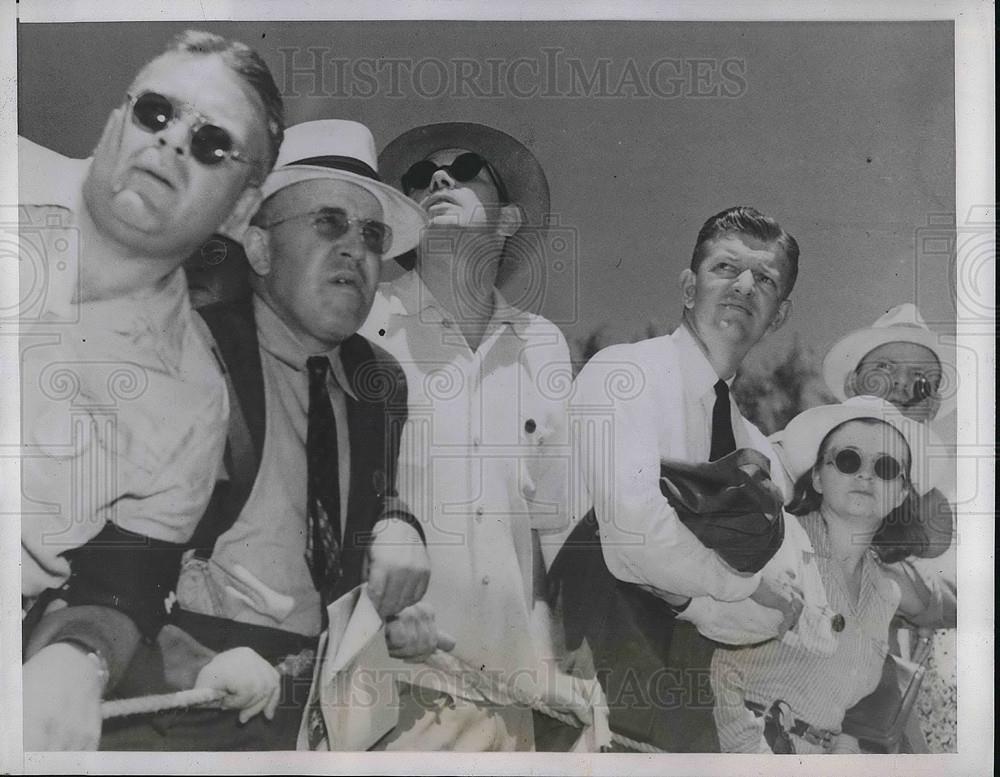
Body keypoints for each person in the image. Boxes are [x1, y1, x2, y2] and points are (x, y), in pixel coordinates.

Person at [65, 118, 437, 751]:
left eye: (372, 234)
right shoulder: (181, 356)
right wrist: (190, 660)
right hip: (175, 711)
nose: (356, 248)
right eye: (329, 222)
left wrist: (400, 535)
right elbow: (90, 573)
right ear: (260, 250)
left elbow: (366, 505)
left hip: (320, 714)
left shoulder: (381, 383)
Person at [20, 29, 285, 750]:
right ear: (115, 123)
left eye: (210, 144)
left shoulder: (196, 403)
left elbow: (117, 581)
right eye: (155, 113)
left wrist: (78, 660)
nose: (170, 142)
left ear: (239, 209)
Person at [555, 206, 803, 751]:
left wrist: (690, 597)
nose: (744, 286)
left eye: (764, 278)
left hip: (690, 715)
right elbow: (633, 535)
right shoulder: (626, 375)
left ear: (777, 315)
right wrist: (742, 585)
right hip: (584, 690)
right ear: (689, 287)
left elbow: (778, 613)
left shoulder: (756, 448)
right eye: (725, 268)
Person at [361, 123, 576, 750]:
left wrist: (543, 668)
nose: (438, 179)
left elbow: (539, 528)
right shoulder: (365, 320)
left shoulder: (544, 345)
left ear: (508, 220)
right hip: (382, 686)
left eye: (465, 167)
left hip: (506, 703)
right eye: (420, 176)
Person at [710, 397, 943, 753]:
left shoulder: (884, 593)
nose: (865, 475)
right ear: (818, 477)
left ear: (900, 494)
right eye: (848, 460)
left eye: (885, 467)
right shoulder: (776, 542)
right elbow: (720, 668)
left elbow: (838, 708)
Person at [821, 303, 958, 750]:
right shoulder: (814, 458)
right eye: (885, 370)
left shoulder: (950, 490)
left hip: (924, 705)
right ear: (854, 385)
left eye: (921, 380)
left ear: (934, 400)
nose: (902, 387)